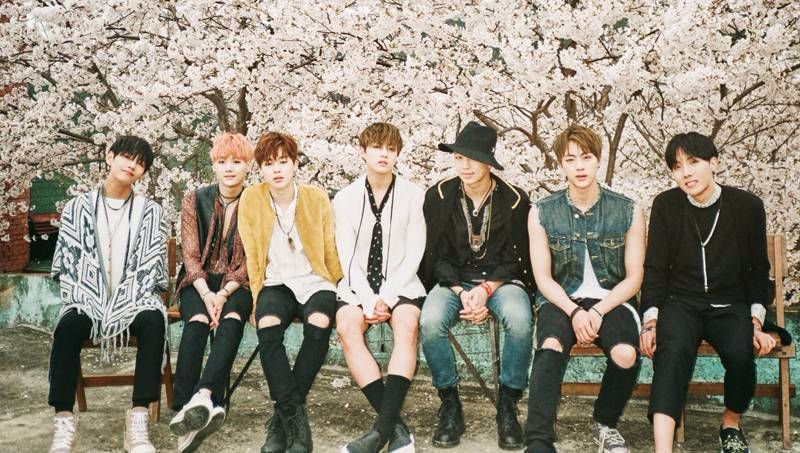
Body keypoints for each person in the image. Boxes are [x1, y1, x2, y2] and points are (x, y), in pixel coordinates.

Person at [640, 132, 776, 453]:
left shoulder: (747, 206)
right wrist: (650, 322)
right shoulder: (666, 205)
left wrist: (756, 321)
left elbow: (759, 271)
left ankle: (730, 423)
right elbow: (655, 269)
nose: (686, 173)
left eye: (694, 162)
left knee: (741, 354)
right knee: (670, 353)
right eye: (677, 166)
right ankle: (663, 449)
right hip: (681, 303)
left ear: (714, 163)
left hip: (730, 304)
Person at [523, 125, 645, 453]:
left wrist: (597, 311)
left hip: (613, 300)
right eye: (570, 159)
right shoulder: (542, 212)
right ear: (560, 164)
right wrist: (575, 311)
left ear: (598, 160)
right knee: (550, 345)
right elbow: (543, 279)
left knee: (625, 354)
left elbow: (634, 278)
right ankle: (538, 440)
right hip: (562, 300)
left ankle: (606, 423)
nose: (579, 166)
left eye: (586, 157)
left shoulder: (628, 210)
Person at [419, 121, 534, 450]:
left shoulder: (514, 199)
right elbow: (436, 254)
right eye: (459, 157)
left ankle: (508, 404)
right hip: (453, 281)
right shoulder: (440, 195)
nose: (465, 166)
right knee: (430, 321)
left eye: (473, 158)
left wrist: (485, 291)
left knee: (520, 320)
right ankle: (450, 403)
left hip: (501, 280)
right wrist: (460, 291)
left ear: (489, 162)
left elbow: (516, 258)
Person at [48, 136, 167, 453]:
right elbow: (68, 262)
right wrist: (90, 297)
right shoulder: (78, 207)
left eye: (140, 163)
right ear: (109, 157)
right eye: (127, 157)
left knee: (154, 322)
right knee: (68, 326)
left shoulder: (150, 211)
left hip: (134, 299)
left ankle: (138, 418)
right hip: (88, 299)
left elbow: (152, 269)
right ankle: (63, 420)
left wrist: (126, 298)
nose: (132, 165)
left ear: (144, 172)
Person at [238, 131, 343, 453]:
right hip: (276, 282)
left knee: (319, 322)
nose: (277, 170)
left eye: (283, 162)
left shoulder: (316, 197)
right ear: (260, 169)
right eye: (269, 164)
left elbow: (330, 247)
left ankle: (279, 421)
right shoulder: (251, 199)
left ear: (295, 164)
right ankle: (293, 415)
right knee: (268, 325)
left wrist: (340, 286)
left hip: (316, 280)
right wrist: (256, 300)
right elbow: (252, 255)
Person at [334, 122, 426, 453]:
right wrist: (368, 299)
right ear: (363, 152)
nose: (384, 154)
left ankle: (379, 433)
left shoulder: (414, 196)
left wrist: (386, 297)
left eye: (391, 149)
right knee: (347, 327)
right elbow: (347, 258)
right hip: (357, 287)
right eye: (376, 147)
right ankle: (395, 429)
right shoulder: (345, 198)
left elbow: (414, 253)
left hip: (402, 284)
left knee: (407, 325)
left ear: (398, 154)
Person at [168, 133, 254, 452]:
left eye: (237, 161)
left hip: (238, 283)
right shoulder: (195, 199)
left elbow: (253, 258)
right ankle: (184, 409)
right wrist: (207, 294)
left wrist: (224, 293)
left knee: (232, 320)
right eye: (222, 162)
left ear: (248, 166)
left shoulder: (257, 202)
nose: (229, 168)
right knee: (198, 322)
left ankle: (204, 396)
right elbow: (191, 255)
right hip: (198, 281)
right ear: (213, 165)